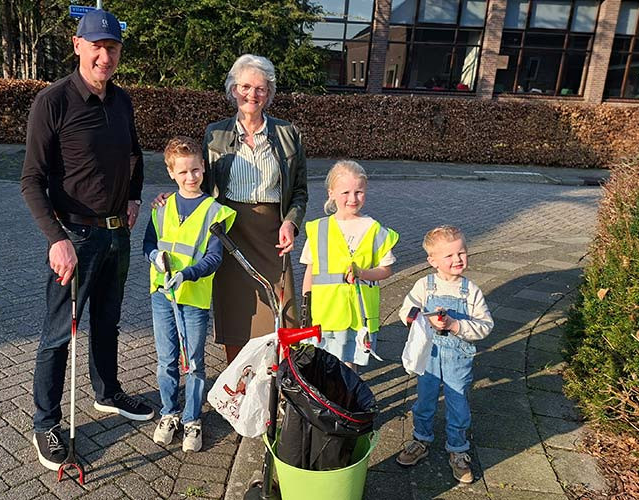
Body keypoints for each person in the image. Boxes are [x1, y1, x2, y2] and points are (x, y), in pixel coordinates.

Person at [20, 9, 153, 471]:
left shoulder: (122, 101)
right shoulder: (52, 102)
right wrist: (55, 239)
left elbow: (135, 155)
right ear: (77, 45)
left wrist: (133, 198)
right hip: (73, 236)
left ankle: (107, 392)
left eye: (112, 47)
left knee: (108, 323)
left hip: (117, 234)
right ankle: (46, 422)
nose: (104, 55)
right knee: (58, 335)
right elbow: (31, 181)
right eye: (96, 45)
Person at [204, 54, 308, 363]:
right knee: (237, 314)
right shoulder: (215, 134)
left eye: (260, 88)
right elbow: (200, 184)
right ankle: (238, 387)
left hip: (272, 234)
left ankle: (279, 386)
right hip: (230, 234)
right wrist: (174, 200)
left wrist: (291, 222)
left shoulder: (289, 134)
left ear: (269, 93)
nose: (252, 94)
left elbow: (300, 191)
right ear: (233, 89)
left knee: (283, 312)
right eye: (245, 86)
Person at [144, 137, 236, 452]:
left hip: (193, 297)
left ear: (203, 168)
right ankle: (169, 413)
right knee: (166, 359)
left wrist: (186, 273)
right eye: (183, 172)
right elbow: (148, 244)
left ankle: (192, 419)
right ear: (171, 173)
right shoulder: (162, 206)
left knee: (194, 361)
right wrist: (155, 257)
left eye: (196, 170)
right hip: (162, 295)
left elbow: (214, 258)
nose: (191, 177)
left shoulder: (215, 212)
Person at [395, 226, 494, 483]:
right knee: (424, 401)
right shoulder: (424, 285)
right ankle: (421, 439)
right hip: (428, 355)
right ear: (432, 261)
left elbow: (485, 325)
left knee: (458, 403)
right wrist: (422, 319)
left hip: (458, 358)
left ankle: (458, 449)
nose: (457, 260)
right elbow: (406, 310)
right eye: (448, 256)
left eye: (461, 252)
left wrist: (455, 325)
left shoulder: (470, 291)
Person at [300, 161, 398, 370]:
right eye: (345, 192)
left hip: (358, 314)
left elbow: (386, 269)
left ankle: (346, 401)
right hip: (325, 312)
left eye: (359, 192)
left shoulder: (374, 229)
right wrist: (306, 307)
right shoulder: (318, 229)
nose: (352, 199)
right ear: (331, 193)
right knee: (323, 364)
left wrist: (362, 273)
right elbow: (310, 270)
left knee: (348, 365)